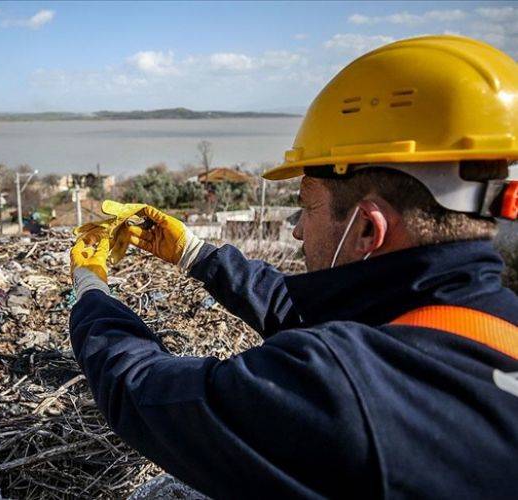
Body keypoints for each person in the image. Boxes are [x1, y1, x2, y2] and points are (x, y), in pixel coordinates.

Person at [69, 35, 518, 499]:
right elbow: (315, 310)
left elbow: (146, 393)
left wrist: (90, 291)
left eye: (307, 206)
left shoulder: (342, 388)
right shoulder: (488, 324)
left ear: (368, 227)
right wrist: (195, 254)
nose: (298, 230)